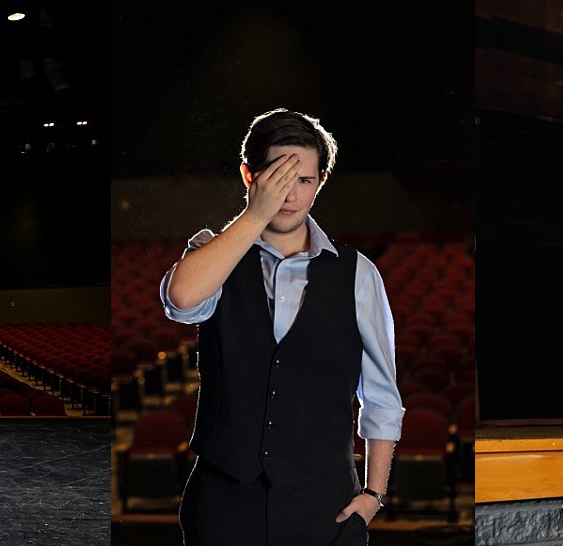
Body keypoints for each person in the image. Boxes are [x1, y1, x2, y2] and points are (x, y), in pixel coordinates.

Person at [160, 109, 405, 544]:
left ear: (321, 182)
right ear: (249, 176)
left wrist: (373, 494)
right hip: (224, 500)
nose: (289, 195)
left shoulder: (358, 273)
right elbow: (181, 300)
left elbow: (381, 395)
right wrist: (255, 215)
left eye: (304, 180)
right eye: (277, 178)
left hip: (325, 502)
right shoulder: (214, 255)